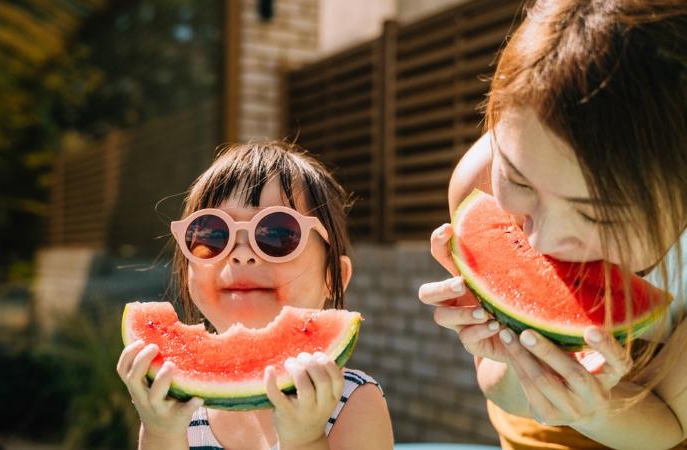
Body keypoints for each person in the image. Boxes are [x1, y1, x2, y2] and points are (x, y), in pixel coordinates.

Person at [417, 0, 687, 449]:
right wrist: (509, 354)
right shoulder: (478, 180)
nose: (541, 239)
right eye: (519, 181)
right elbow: (498, 387)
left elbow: (673, 425)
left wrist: (600, 411)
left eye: (594, 213)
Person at [116, 141, 394, 450]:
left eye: (277, 233)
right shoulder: (174, 398)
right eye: (212, 234)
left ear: (334, 277)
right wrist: (161, 434)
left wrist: (306, 439)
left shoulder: (353, 402)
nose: (242, 255)